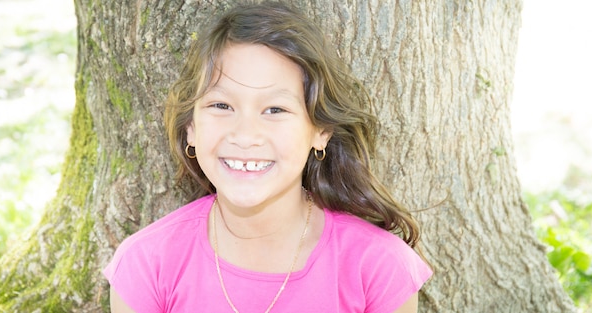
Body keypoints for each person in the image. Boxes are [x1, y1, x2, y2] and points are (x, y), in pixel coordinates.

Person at [103, 2, 432, 312]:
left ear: (320, 131)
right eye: (221, 106)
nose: (246, 136)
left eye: (275, 109)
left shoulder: (378, 268)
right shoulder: (146, 264)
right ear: (191, 127)